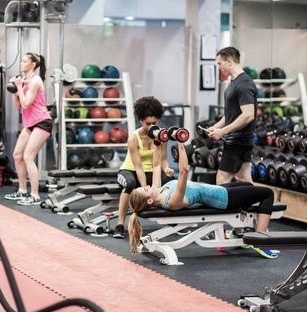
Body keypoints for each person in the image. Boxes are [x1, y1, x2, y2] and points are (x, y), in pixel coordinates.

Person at [127, 141, 278, 259]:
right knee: (267, 193)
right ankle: (261, 240)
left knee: (247, 185)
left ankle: (238, 232)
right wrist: (180, 144)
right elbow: (184, 170)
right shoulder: (172, 201)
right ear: (149, 201)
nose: (147, 186)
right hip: (223, 199)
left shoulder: (157, 191)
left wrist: (158, 142)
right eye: (145, 189)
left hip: (218, 190)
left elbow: (156, 164)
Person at [113, 96, 175, 238]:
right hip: (130, 170)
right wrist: (146, 188)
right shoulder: (133, 138)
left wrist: (167, 169)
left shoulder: (161, 135)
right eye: (148, 123)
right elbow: (138, 167)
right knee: (130, 184)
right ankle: (120, 224)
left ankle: (174, 222)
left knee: (172, 183)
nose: (151, 126)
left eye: (154, 122)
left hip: (152, 170)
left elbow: (163, 160)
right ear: (141, 120)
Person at [4, 53, 52, 206]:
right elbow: (18, 105)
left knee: (28, 157)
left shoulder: (36, 81)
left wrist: (19, 86)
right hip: (30, 123)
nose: (21, 63)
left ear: (32, 65)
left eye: (24, 61)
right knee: (17, 155)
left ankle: (35, 194)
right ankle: (22, 190)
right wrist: (14, 91)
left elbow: (26, 104)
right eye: (22, 61)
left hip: (42, 122)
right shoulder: (24, 81)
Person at [209, 46, 257, 185]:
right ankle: (256, 205)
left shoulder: (244, 84)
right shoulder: (233, 83)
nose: (219, 68)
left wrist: (223, 131)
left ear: (229, 61)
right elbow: (231, 114)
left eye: (219, 63)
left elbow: (248, 115)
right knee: (244, 178)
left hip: (238, 141)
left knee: (222, 179)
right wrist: (215, 127)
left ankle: (225, 207)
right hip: (238, 140)